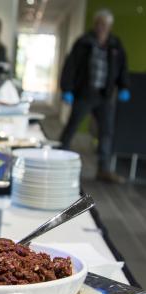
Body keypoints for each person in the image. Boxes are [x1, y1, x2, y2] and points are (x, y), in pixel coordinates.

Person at [60, 9, 130, 183]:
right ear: (95, 23)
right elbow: (70, 66)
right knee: (72, 126)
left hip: (105, 95)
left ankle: (103, 169)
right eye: (99, 23)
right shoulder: (83, 42)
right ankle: (58, 159)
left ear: (109, 26)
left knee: (106, 132)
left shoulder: (115, 44)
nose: (101, 27)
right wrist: (67, 89)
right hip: (85, 93)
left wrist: (124, 86)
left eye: (105, 24)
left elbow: (122, 67)